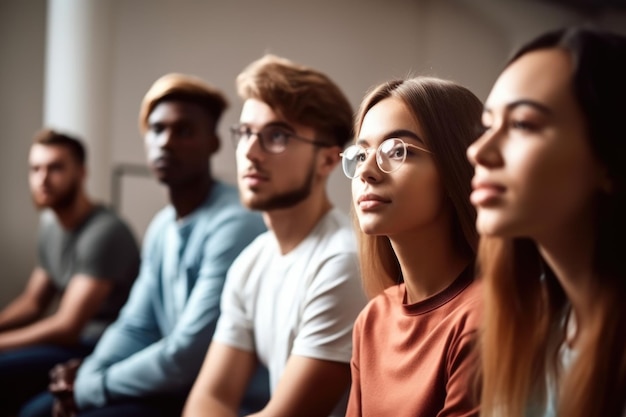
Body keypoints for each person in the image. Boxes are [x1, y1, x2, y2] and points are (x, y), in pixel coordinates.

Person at [22, 73, 267, 417]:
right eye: (156, 130)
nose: (166, 142)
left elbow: (187, 356)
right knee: (36, 411)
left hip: (211, 398)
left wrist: (92, 387)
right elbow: (135, 324)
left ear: (213, 142)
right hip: (167, 382)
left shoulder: (235, 223)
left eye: (183, 131)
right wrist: (91, 373)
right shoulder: (162, 226)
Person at [183, 54, 367, 417]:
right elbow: (211, 399)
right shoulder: (252, 261)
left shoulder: (342, 262)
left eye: (277, 136)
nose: (250, 151)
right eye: (245, 133)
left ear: (329, 161)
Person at [466, 27, 626, 417]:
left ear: (610, 159)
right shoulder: (530, 325)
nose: (477, 151)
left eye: (522, 124)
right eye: (488, 125)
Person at [342, 77, 483, 417]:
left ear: (456, 169)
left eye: (396, 151)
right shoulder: (373, 318)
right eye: (361, 154)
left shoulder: (484, 317)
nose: (366, 171)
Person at [0, 129, 141, 417]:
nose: (43, 179)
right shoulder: (51, 226)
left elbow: (67, 327)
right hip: (74, 342)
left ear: (81, 173)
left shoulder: (105, 232)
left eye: (55, 168)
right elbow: (33, 301)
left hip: (98, 346)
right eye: (35, 168)